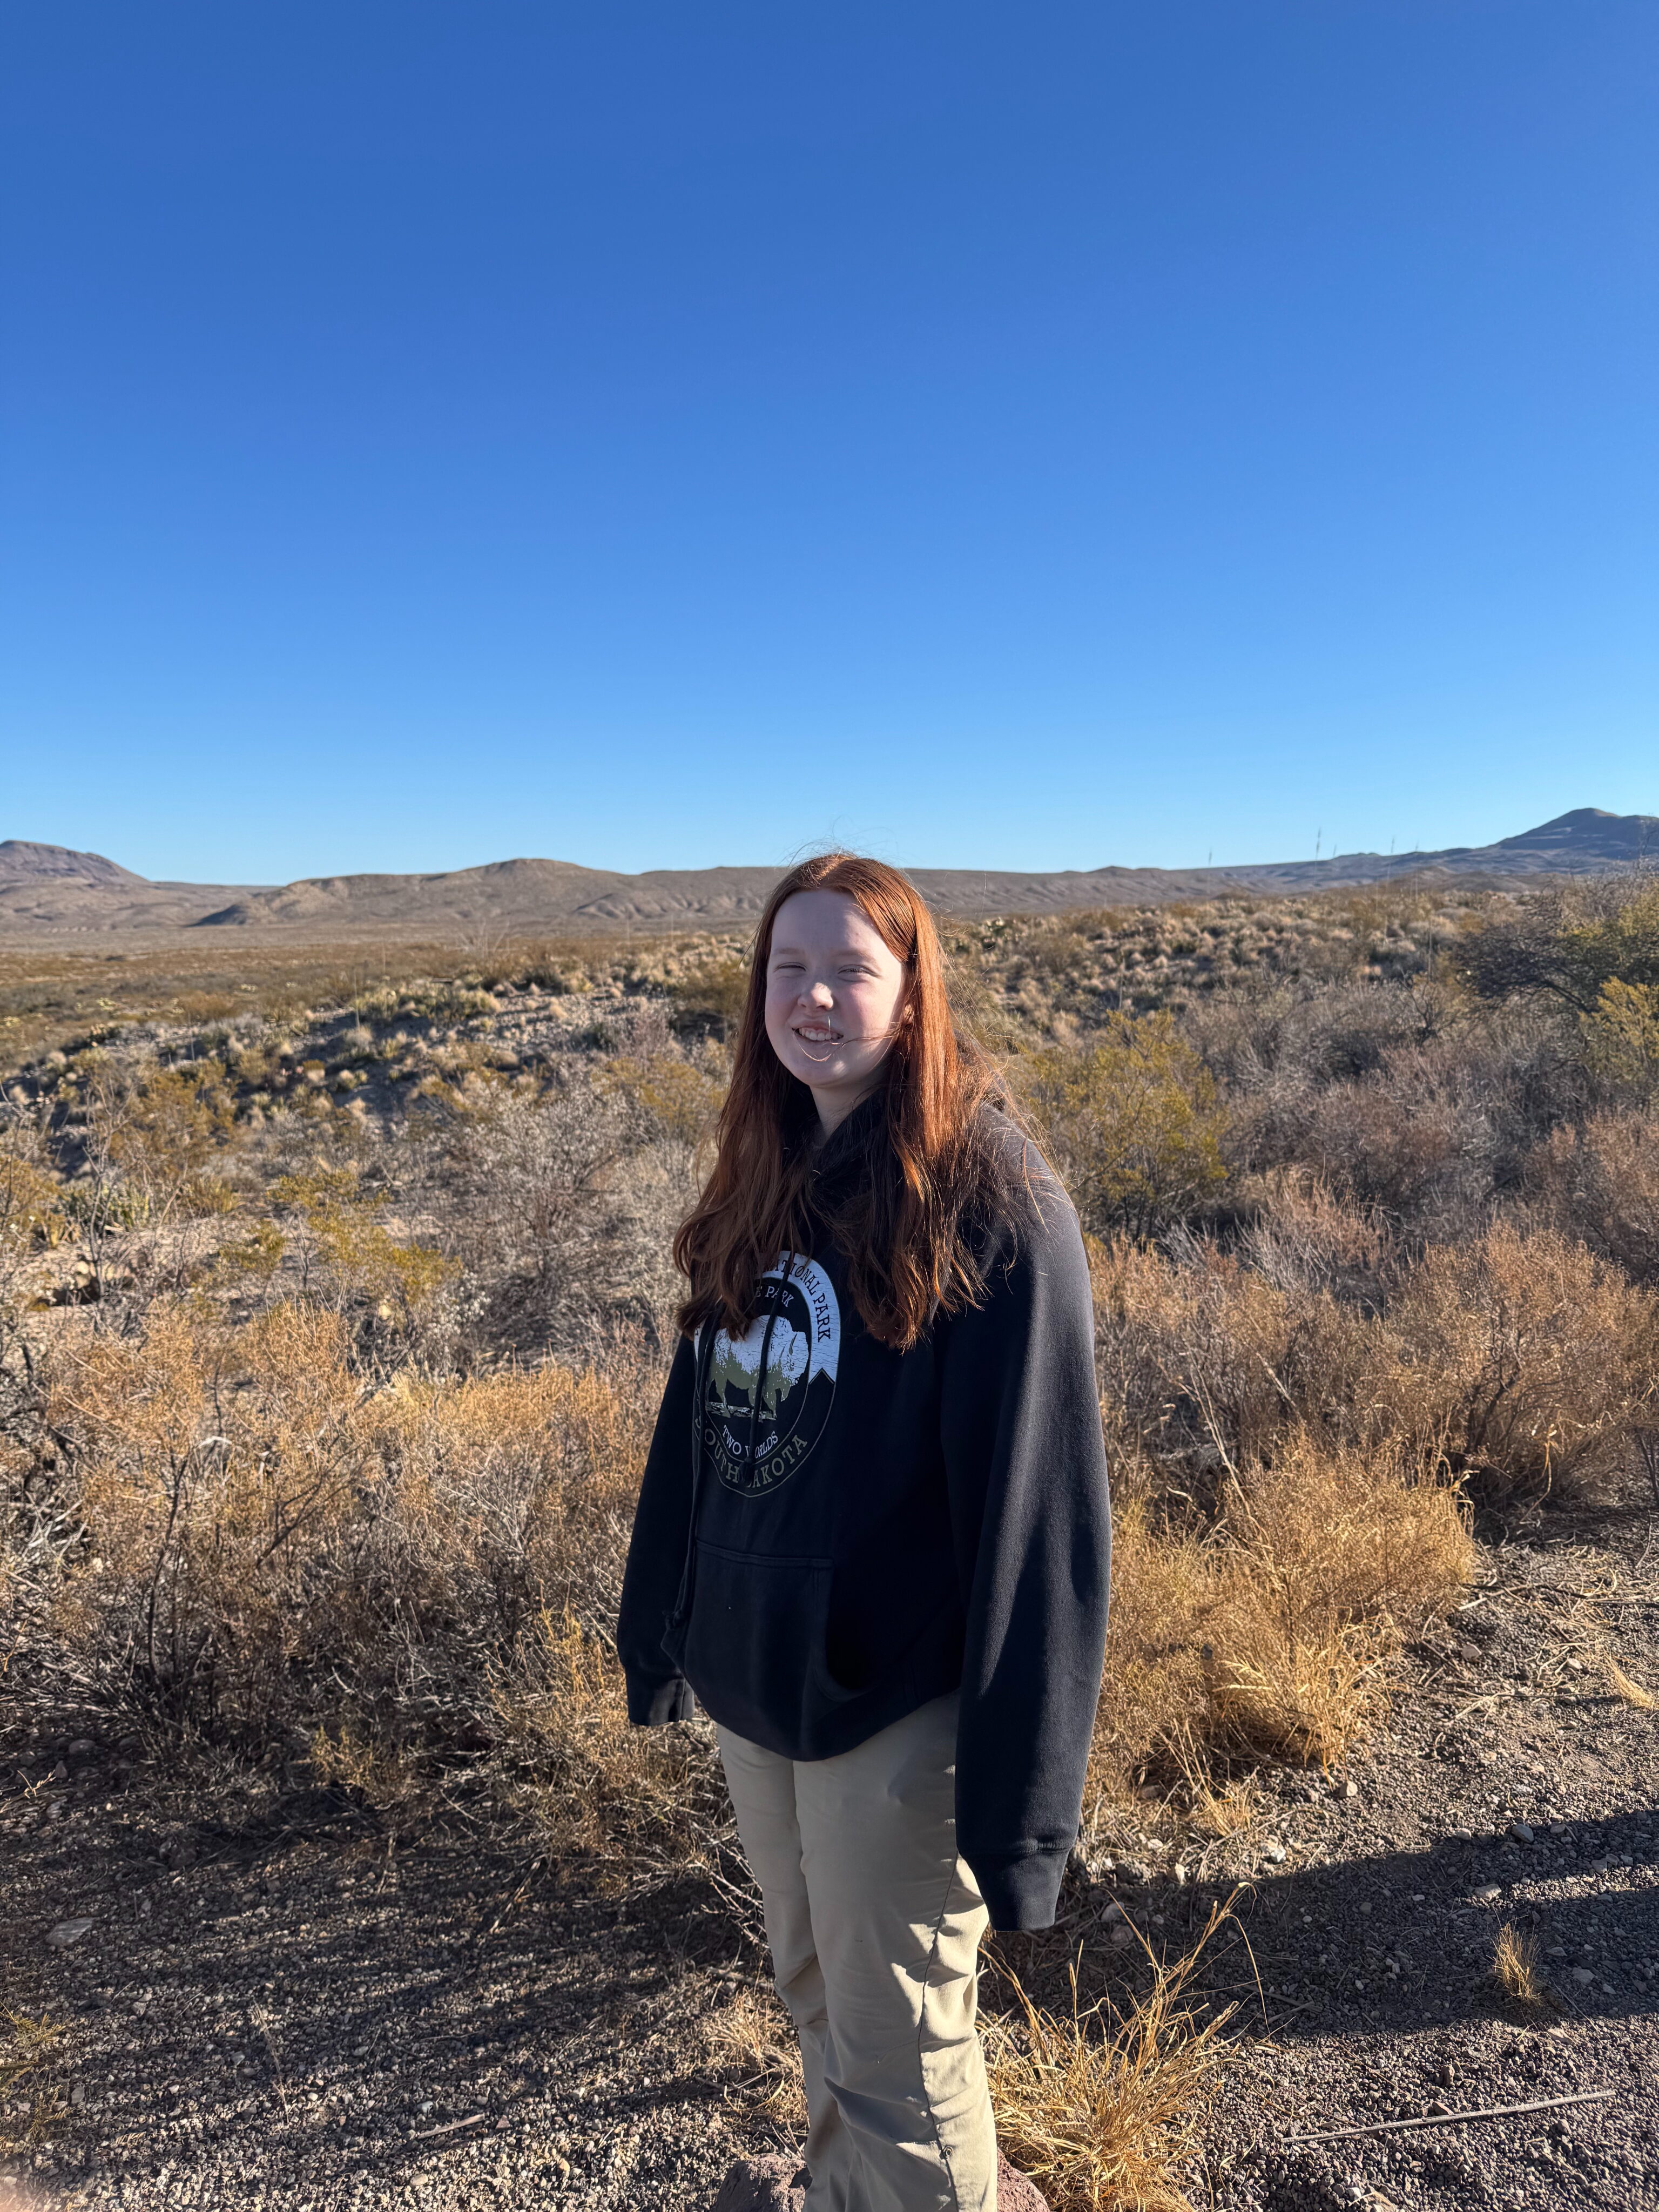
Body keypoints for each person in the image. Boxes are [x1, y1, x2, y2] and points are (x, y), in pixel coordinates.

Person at [617, 853, 1111, 2212]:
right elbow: (703, 1426)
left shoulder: (993, 1199)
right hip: (758, 1675)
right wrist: (662, 1625)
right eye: (790, 969)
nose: (815, 998)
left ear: (912, 996)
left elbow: (1042, 1510)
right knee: (818, 1984)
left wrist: (1026, 1806)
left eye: (851, 969)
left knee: (900, 2043)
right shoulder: (766, 1169)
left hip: (897, 1698)